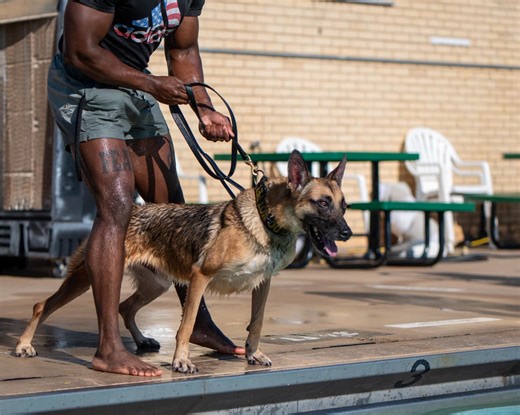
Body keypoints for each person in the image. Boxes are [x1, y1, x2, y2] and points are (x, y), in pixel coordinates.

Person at [47, 0, 245, 376]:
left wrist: (203, 107)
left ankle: (198, 324)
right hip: (84, 83)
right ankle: (108, 347)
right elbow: (80, 51)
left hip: (133, 81)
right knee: (117, 205)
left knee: (172, 209)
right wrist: (152, 84)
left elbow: (183, 50)